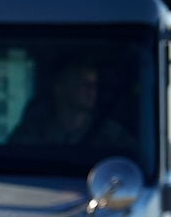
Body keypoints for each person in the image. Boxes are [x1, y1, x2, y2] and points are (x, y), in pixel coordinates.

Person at [7, 59, 135, 153]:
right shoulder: (29, 135)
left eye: (94, 85)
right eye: (83, 84)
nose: (91, 91)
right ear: (59, 87)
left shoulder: (113, 137)